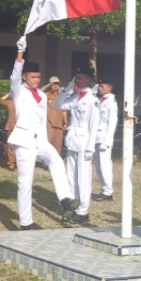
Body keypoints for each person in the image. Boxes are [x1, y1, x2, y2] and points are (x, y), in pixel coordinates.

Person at [9, 36, 77, 230]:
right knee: (25, 181)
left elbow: (58, 105)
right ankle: (26, 222)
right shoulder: (18, 91)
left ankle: (64, 198)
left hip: (40, 139)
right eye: (32, 77)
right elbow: (14, 75)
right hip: (24, 140)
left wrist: (70, 89)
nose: (36, 80)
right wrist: (20, 52)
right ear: (25, 77)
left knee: (56, 160)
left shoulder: (41, 94)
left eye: (38, 77)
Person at [53, 69, 100, 225]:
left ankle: (83, 211)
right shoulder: (75, 97)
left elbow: (94, 125)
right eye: (76, 78)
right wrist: (67, 89)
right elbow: (58, 104)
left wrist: (90, 147)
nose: (77, 81)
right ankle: (73, 206)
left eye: (80, 78)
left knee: (83, 178)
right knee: (71, 175)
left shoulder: (92, 99)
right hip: (73, 140)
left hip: (84, 142)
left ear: (88, 80)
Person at [92, 79, 118, 202]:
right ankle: (103, 189)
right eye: (99, 86)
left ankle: (108, 191)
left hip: (104, 138)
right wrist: (96, 86)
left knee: (105, 165)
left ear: (109, 88)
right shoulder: (101, 100)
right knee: (98, 165)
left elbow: (112, 122)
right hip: (96, 137)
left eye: (102, 86)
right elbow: (92, 93)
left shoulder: (111, 102)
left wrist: (108, 141)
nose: (99, 88)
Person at [43, 76, 68, 156]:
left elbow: (64, 111)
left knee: (57, 145)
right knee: (47, 144)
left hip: (59, 125)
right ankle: (46, 163)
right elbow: (38, 92)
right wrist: (47, 85)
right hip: (48, 124)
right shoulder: (45, 95)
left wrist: (66, 122)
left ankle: (55, 163)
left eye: (57, 84)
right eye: (53, 84)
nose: (55, 85)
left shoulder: (62, 96)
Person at [0, 92, 17, 170]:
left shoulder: (25, 103)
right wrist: (10, 92)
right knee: (11, 145)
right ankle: (11, 163)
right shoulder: (10, 102)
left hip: (22, 127)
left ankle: (17, 163)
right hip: (11, 126)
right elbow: (0, 100)